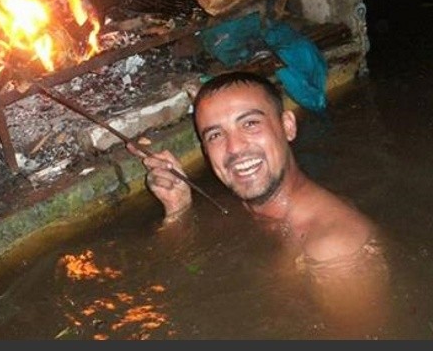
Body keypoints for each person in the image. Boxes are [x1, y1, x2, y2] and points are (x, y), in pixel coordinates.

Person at [127, 71, 390, 337]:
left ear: (288, 126)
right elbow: (174, 267)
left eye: (250, 123)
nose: (234, 148)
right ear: (206, 150)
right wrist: (178, 208)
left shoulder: (335, 248)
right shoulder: (236, 208)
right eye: (215, 135)